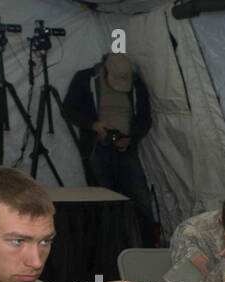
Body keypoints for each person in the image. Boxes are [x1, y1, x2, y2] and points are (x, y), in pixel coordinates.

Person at [62, 52, 156, 246]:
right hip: (98, 147)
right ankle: (107, 247)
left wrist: (132, 137)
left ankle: (147, 246)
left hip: (126, 148)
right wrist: (93, 125)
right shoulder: (85, 79)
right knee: (103, 199)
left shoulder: (136, 83)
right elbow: (69, 109)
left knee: (140, 199)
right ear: (105, 69)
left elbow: (145, 117)